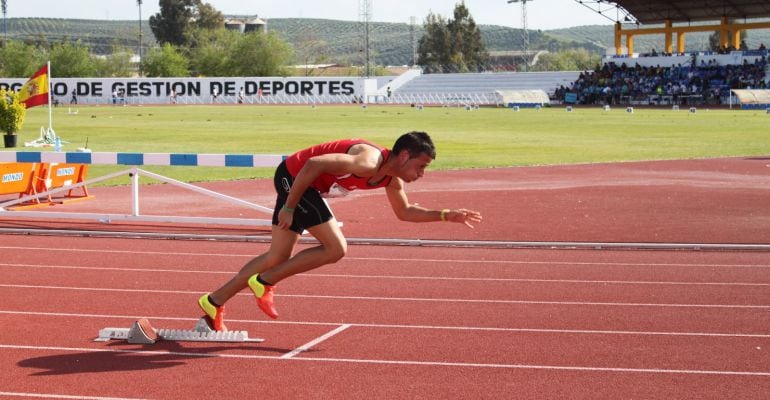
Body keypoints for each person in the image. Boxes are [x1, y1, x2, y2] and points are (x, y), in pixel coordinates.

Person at [197, 131, 482, 330]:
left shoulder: (390, 179)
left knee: (277, 256)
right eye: (421, 166)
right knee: (336, 248)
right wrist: (288, 207)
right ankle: (266, 282)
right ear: (404, 155)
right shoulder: (368, 162)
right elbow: (314, 164)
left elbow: (405, 212)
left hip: (307, 188)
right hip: (295, 178)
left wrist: (446, 215)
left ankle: (213, 301)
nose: (422, 174)